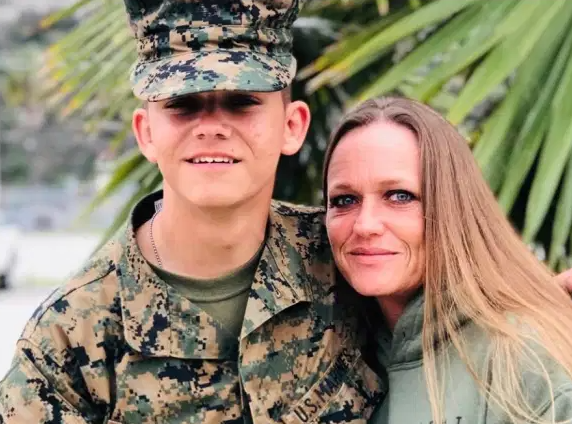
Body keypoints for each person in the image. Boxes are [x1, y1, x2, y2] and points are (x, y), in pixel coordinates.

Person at [0, 1, 384, 423]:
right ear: (146, 134)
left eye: (241, 101)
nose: (212, 126)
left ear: (292, 126)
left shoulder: (354, 262)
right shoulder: (69, 337)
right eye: (182, 103)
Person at [323, 96, 572, 424]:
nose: (365, 224)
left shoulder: (523, 360)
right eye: (345, 200)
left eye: (400, 196)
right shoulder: (322, 351)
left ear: (452, 206)